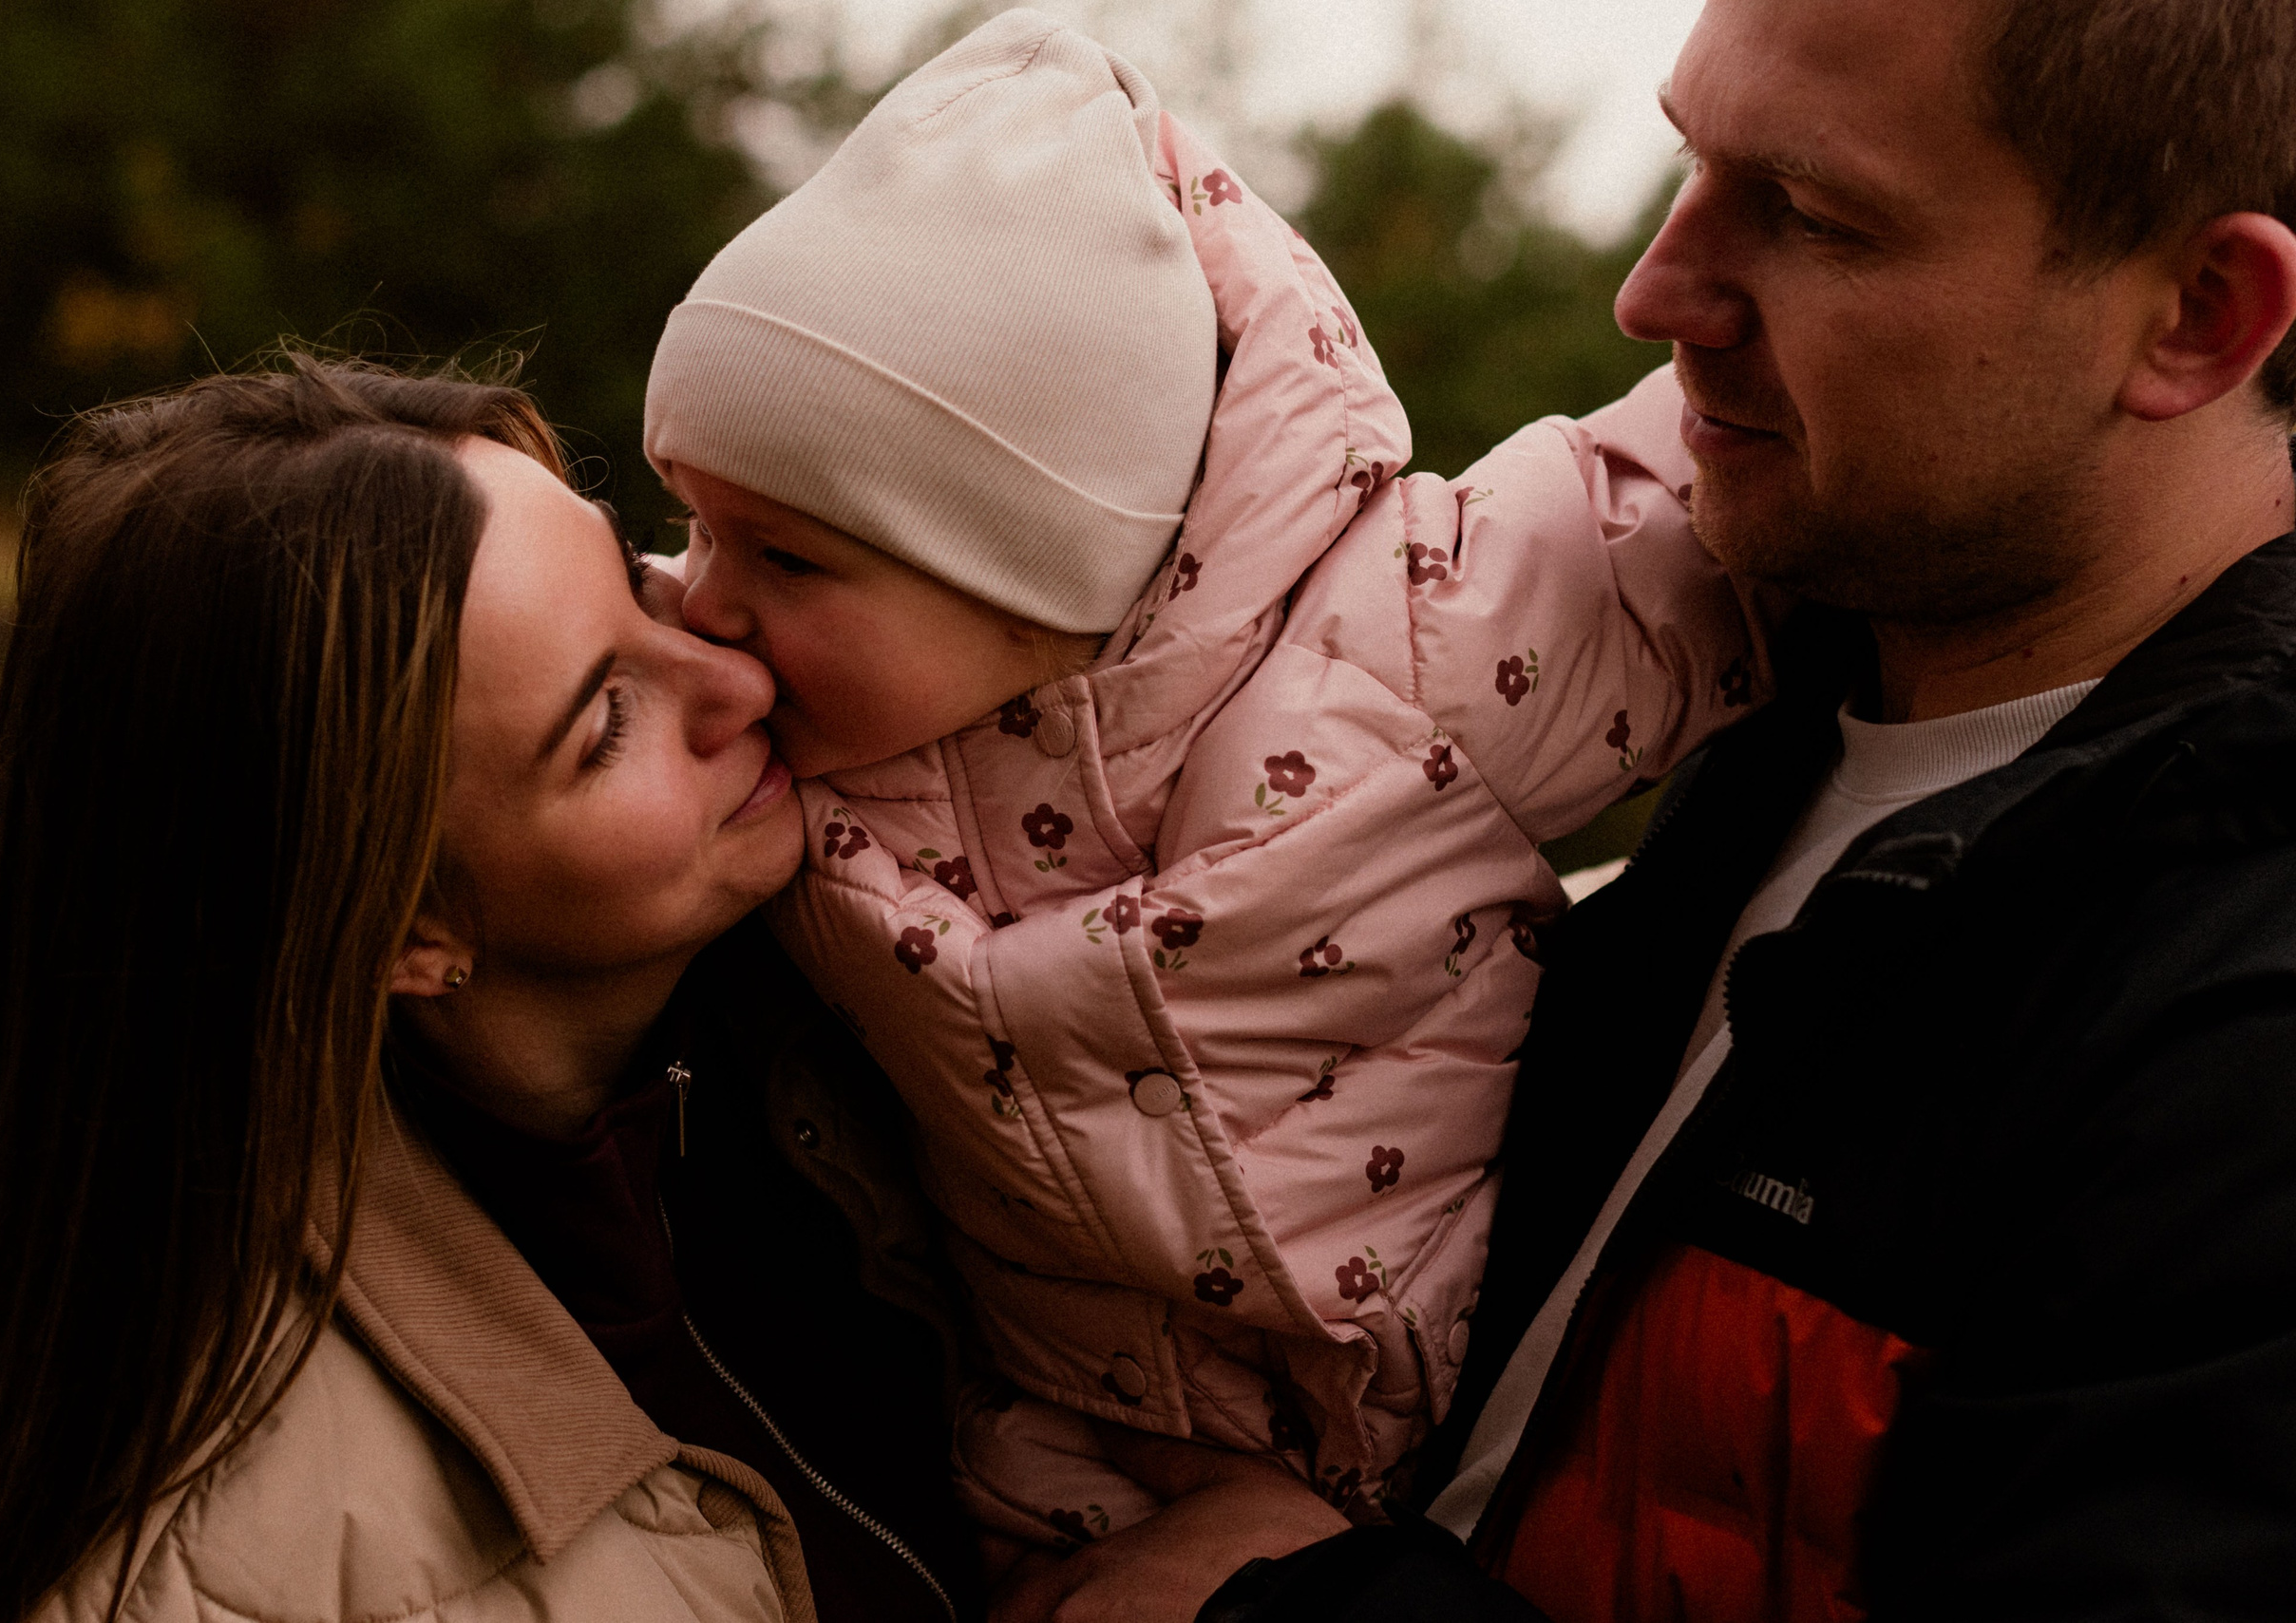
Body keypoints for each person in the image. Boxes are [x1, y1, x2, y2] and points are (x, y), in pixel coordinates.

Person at [639, 5, 1774, 1587]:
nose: (702, 599)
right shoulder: (765, 752)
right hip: (1048, 1468)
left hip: (1471, 1451)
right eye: (693, 524)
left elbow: (1699, 506)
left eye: (783, 555)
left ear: (1036, 570)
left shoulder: (1415, 646)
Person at [1215, 0, 2296, 1616]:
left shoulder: (2238, 1032)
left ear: (2199, 318)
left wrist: (1280, 1600)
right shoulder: (1720, 714)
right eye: (1689, 161)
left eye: (1809, 215)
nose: (1652, 291)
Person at [0, 357, 991, 1623]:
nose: (738, 679)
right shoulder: (227, 1575)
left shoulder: (920, 1001)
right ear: (405, 927)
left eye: (637, 582)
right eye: (607, 722)